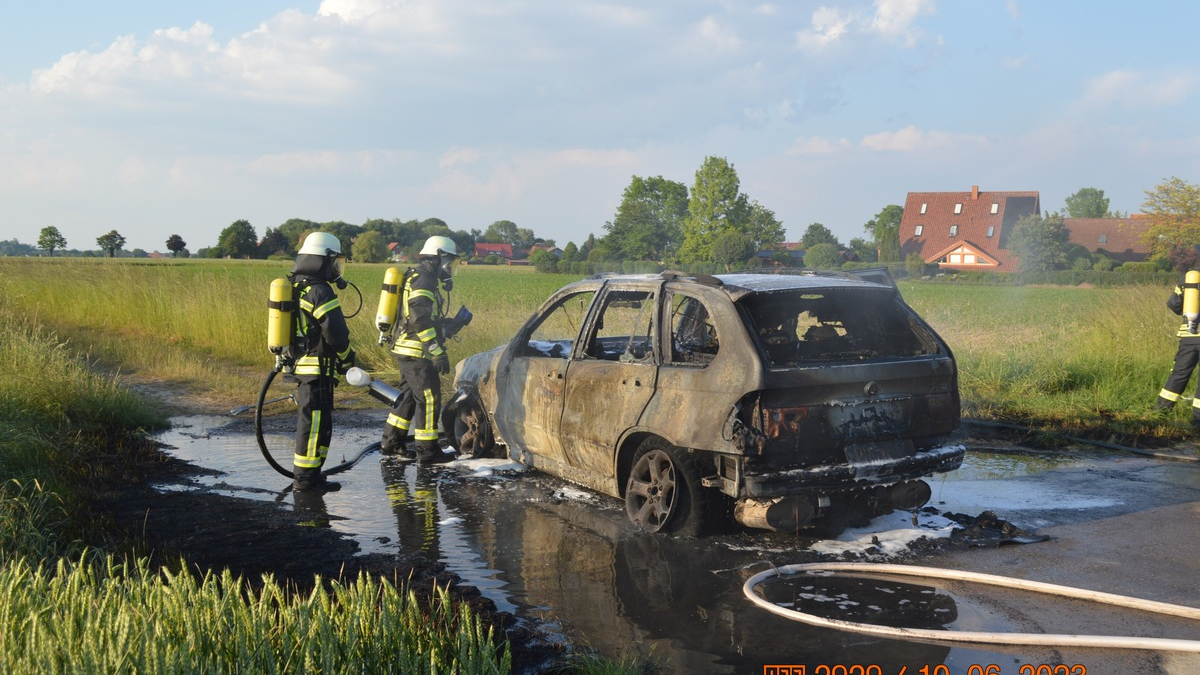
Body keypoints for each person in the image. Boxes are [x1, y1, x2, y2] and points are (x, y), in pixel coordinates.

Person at [380, 235, 458, 463]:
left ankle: (391, 442)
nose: (449, 268)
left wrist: (446, 325)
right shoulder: (424, 281)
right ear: (437, 258)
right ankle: (428, 451)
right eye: (448, 262)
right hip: (417, 352)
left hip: (408, 348)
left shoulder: (419, 276)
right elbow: (420, 320)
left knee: (407, 398)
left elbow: (423, 317)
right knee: (428, 398)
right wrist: (437, 351)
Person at [290, 231, 356, 490]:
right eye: (334, 261)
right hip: (317, 368)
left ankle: (312, 474)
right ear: (323, 260)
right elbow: (336, 333)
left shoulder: (298, 285)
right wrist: (347, 357)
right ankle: (306, 479)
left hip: (305, 366)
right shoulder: (319, 290)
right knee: (315, 422)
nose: (337, 268)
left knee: (315, 420)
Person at [1155, 270, 1200, 425]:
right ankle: (1198, 420)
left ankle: (1160, 411)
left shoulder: (1188, 277)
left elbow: (1173, 304)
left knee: (1179, 374)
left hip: (1188, 336)